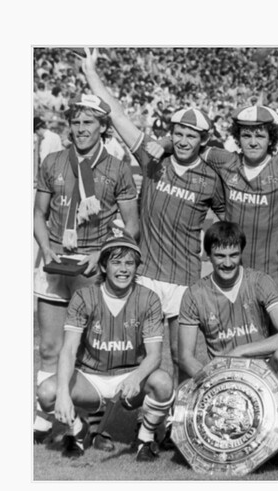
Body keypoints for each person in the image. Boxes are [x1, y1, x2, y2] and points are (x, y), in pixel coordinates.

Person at [80, 48, 226, 381]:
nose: (183, 140)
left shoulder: (210, 177)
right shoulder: (153, 157)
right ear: (171, 134)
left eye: (191, 135)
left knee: (180, 356)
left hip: (185, 278)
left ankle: (182, 413)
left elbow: (230, 218)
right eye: (179, 133)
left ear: (203, 140)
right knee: (135, 352)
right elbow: (117, 115)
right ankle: (136, 412)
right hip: (145, 272)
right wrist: (91, 74)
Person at [32, 93, 139, 442]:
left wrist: (102, 255)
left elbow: (132, 226)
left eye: (88, 122)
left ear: (103, 127)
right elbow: (38, 214)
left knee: (88, 348)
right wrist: (46, 249)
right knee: (49, 347)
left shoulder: (118, 168)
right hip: (54, 262)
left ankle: (91, 419)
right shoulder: (53, 161)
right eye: (75, 122)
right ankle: (44, 418)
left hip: (92, 266)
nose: (80, 129)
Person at [148, 104, 278, 306]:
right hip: (231, 277)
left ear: (271, 139)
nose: (252, 142)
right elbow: (188, 143)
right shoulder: (225, 160)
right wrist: (163, 143)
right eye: (246, 136)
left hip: (273, 277)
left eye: (260, 136)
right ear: (238, 138)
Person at [34, 234, 174, 462]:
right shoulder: (83, 297)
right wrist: (63, 393)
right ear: (103, 266)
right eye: (116, 262)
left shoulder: (149, 299)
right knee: (47, 393)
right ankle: (78, 429)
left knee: (163, 382)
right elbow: (68, 350)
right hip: (91, 378)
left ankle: (145, 439)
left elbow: (155, 355)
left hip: (130, 376)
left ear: (136, 267)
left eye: (129, 263)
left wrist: (136, 377)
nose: (123, 269)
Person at [177, 222, 278, 379]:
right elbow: (185, 357)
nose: (228, 263)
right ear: (208, 255)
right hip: (224, 375)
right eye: (220, 256)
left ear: (241, 253)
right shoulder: (194, 294)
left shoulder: (259, 282)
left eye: (234, 255)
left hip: (264, 373)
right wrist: (213, 379)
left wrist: (240, 351)